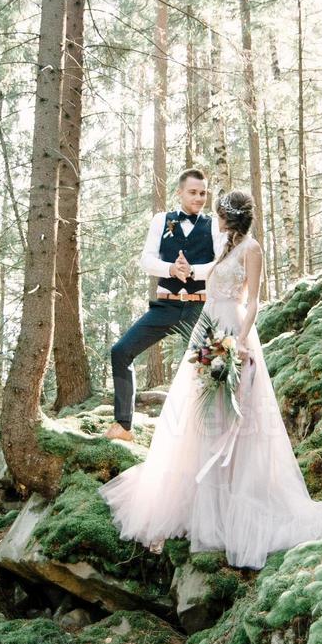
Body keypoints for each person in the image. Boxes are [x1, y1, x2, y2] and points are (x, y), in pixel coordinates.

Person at [99, 190, 322, 569]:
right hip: (207, 330)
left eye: (218, 215)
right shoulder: (226, 247)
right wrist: (175, 270)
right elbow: (204, 279)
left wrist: (241, 342)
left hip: (232, 334)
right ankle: (197, 499)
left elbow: (254, 301)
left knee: (232, 417)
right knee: (197, 415)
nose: (213, 220)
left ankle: (231, 500)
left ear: (230, 218)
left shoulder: (252, 249)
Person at [104, 168, 224, 443]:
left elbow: (219, 264)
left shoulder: (214, 224)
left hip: (198, 309)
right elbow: (146, 260)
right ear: (179, 192)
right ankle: (124, 426)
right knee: (121, 351)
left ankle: (211, 434)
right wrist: (171, 269)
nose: (198, 198)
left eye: (203, 193)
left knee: (208, 367)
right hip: (165, 307)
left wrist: (192, 271)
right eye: (193, 192)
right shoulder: (162, 220)